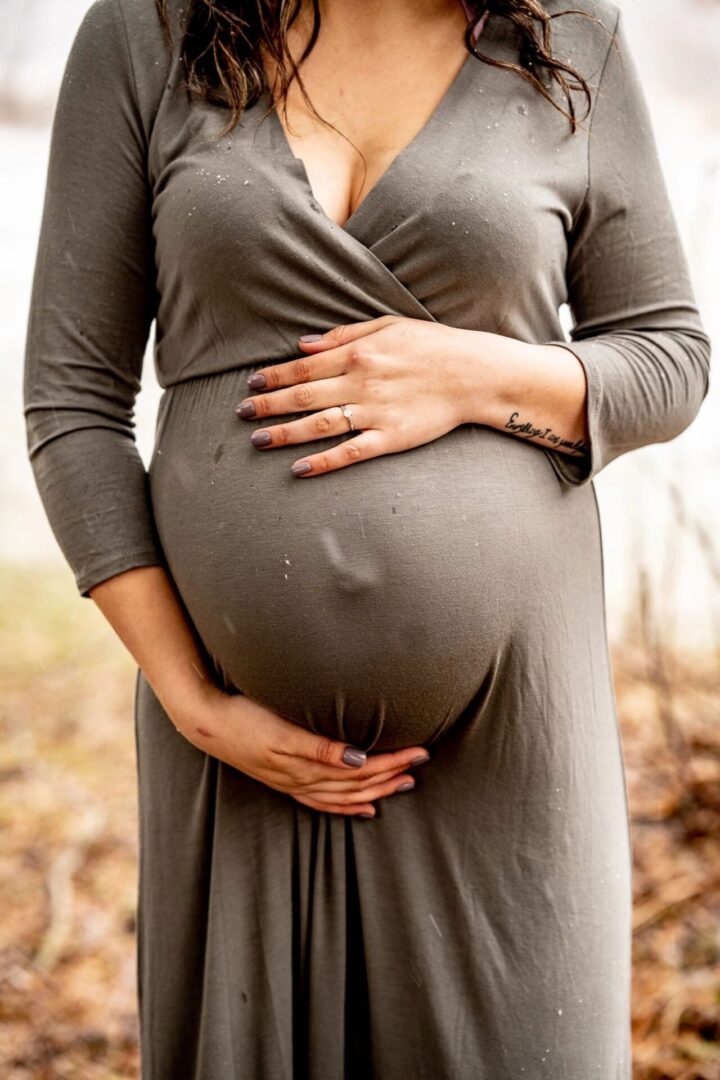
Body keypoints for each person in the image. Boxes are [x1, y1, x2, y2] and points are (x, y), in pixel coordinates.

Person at [23, 0, 711, 1076]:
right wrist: (195, 704)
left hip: (508, 743)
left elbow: (669, 360)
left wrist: (477, 374)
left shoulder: (570, 39)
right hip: (236, 749)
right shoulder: (147, 34)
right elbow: (70, 404)